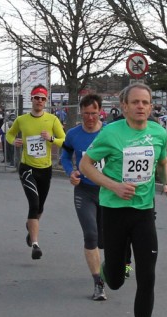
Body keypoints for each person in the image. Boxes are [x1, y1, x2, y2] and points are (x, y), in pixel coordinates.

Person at [79, 83, 167, 317]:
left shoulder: (158, 132)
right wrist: (114, 185)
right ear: (124, 106)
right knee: (117, 279)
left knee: (147, 279)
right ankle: (119, 261)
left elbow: (163, 161)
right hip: (113, 211)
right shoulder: (111, 133)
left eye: (145, 102)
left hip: (144, 213)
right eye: (135, 102)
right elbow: (86, 165)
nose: (141, 106)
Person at [6, 84, 66, 260]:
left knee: (40, 207)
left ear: (46, 101)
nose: (39, 101)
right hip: (27, 167)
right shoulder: (22, 119)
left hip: (45, 169)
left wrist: (51, 139)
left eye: (42, 98)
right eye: (36, 98)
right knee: (33, 203)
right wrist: (13, 142)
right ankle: (35, 245)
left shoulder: (53, 120)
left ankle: (30, 228)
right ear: (31, 99)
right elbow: (10, 134)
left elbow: (64, 141)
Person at [61, 94, 107, 301]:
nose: (90, 117)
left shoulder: (109, 133)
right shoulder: (73, 134)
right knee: (91, 235)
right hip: (84, 191)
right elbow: (64, 156)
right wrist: (71, 172)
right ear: (81, 112)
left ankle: (126, 263)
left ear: (100, 112)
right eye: (86, 113)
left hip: (108, 192)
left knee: (111, 239)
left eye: (94, 113)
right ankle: (98, 282)